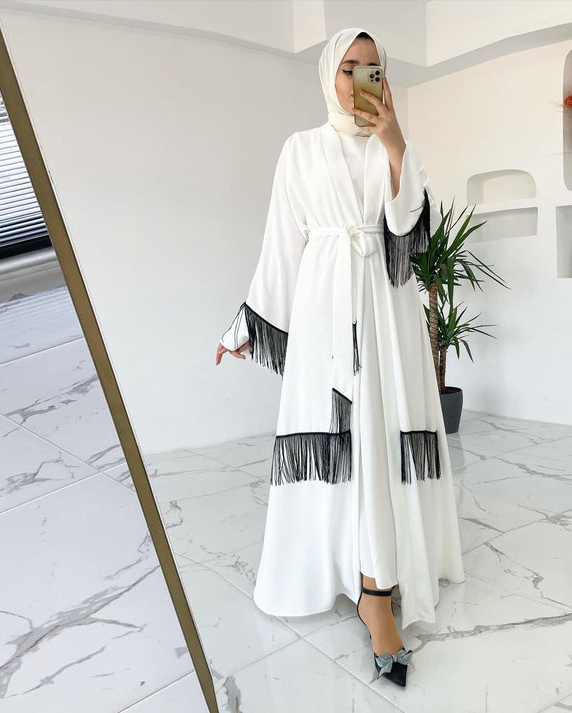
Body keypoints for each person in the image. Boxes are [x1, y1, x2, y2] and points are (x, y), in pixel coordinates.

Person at [215, 27, 466, 686]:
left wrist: (395, 144)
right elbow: (281, 242)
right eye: (349, 66)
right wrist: (247, 325)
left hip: (387, 306)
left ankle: (378, 580)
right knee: (340, 437)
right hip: (326, 306)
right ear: (329, 73)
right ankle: (360, 583)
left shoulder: (396, 146)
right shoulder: (300, 148)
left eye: (372, 67)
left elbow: (411, 236)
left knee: (383, 434)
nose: (360, 78)